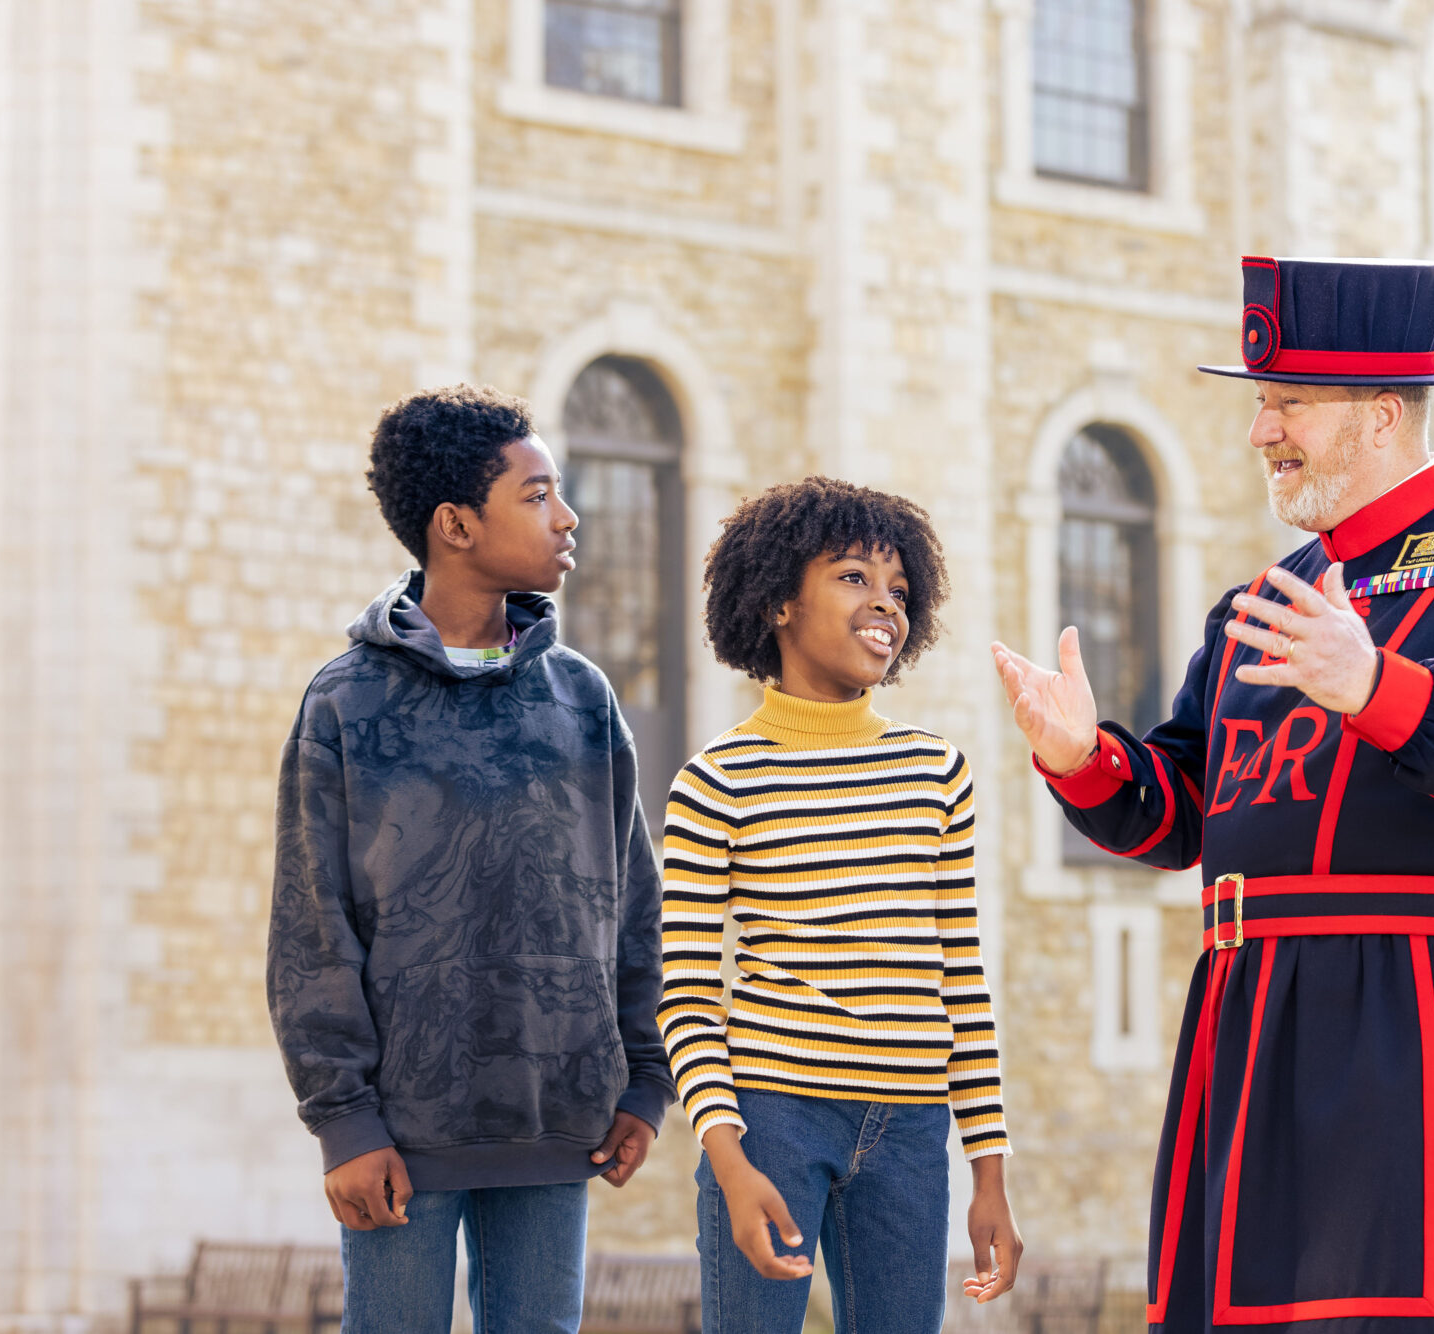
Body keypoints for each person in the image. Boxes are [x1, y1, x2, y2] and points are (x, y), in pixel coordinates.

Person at [992, 256, 1434, 1333]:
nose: (1258, 429)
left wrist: (1377, 686)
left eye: (1285, 403)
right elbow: (1180, 806)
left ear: (1378, 415)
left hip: (1402, 1016)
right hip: (1245, 1011)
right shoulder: (1254, 606)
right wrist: (1083, 753)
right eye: (1260, 402)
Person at [267, 385, 676, 1331]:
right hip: (401, 1138)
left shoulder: (582, 699)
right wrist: (345, 1123)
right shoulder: (345, 703)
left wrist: (646, 1080)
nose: (567, 518)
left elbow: (632, 906)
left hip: (557, 1126)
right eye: (537, 497)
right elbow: (310, 927)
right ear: (455, 524)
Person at [658, 478, 1023, 1333]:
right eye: (854, 578)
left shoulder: (937, 773)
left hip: (910, 1131)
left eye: (899, 590)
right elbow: (682, 993)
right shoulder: (717, 781)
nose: (884, 606)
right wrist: (729, 1157)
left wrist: (989, 1170)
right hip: (772, 1121)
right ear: (779, 599)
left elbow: (960, 981)